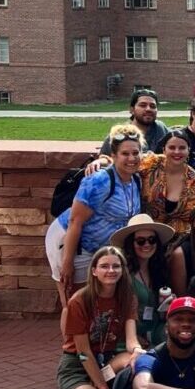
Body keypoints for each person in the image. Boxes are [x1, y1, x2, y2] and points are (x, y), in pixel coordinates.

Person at [49, 125, 144, 309]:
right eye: (125, 154)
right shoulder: (100, 180)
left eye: (135, 153)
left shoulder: (135, 180)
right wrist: (67, 263)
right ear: (114, 155)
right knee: (75, 304)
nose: (132, 158)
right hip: (75, 244)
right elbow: (75, 221)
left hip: (101, 249)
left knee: (99, 304)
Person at [58, 247, 144, 389]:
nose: (111, 270)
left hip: (106, 361)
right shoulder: (79, 300)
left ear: (123, 270)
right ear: (94, 271)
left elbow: (131, 340)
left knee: (136, 359)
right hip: (78, 364)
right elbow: (83, 353)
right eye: (104, 266)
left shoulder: (128, 298)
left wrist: (138, 351)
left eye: (116, 266)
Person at [114, 214, 176, 346]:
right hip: (128, 337)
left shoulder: (159, 270)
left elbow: (160, 314)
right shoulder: (123, 273)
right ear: (130, 244)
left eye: (152, 240)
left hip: (155, 332)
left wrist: (169, 305)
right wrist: (133, 337)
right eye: (140, 241)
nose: (147, 244)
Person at [135, 128, 195, 236]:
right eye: (172, 147)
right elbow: (129, 163)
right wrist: (106, 160)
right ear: (164, 150)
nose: (177, 152)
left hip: (178, 235)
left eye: (182, 148)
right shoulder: (152, 163)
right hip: (143, 231)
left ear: (188, 150)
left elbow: (191, 216)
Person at [99, 89, 171, 155]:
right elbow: (104, 157)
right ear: (132, 110)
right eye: (143, 105)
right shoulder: (120, 133)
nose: (148, 109)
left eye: (153, 106)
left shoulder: (161, 129)